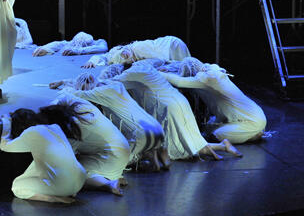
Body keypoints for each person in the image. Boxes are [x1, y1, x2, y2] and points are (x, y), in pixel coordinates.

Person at [111, 59, 242, 161]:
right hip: (180, 102)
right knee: (191, 138)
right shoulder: (148, 68)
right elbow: (162, 62)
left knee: (179, 145)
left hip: (169, 107)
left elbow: (113, 83)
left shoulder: (131, 73)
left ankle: (216, 148)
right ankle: (222, 146)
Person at [50, 71, 166, 170]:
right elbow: (89, 83)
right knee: (140, 144)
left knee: (116, 161)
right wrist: (63, 81)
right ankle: (155, 156)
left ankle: (142, 156)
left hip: (142, 134)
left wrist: (65, 87)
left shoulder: (100, 93)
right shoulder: (113, 84)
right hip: (156, 127)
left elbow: (77, 94)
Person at [157, 58, 267, 144]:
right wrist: (171, 65)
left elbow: (179, 82)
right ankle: (249, 133)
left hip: (251, 120)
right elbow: (186, 65)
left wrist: (156, 73)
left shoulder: (208, 78)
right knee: (207, 127)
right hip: (252, 114)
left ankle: (253, 134)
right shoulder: (210, 69)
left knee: (215, 135)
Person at [41, 94, 130, 196]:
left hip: (112, 158)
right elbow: (65, 96)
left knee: (69, 175)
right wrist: (51, 108)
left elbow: (63, 161)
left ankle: (108, 183)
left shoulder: (74, 131)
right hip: (122, 148)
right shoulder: (83, 106)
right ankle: (112, 175)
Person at [0, 108, 86, 203]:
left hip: (62, 186)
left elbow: (5, 146)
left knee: (17, 186)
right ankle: (63, 191)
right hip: (79, 181)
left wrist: (6, 123)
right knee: (40, 159)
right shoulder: (55, 127)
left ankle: (53, 198)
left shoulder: (31, 132)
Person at [82, 35, 190, 69]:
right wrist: (92, 61)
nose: (125, 55)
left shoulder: (137, 48)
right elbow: (105, 56)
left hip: (172, 45)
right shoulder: (114, 53)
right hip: (170, 47)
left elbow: (160, 59)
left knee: (187, 70)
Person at [33, 31, 108, 57]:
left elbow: (103, 48)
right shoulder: (74, 43)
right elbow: (61, 44)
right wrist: (45, 48)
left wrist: (78, 51)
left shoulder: (100, 42)